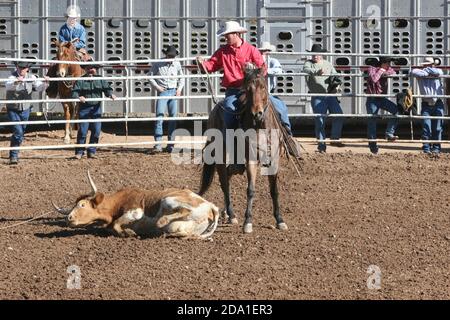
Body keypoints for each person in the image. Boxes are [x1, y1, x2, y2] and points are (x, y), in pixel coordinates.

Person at [197, 21, 299, 173]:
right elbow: (210, 67)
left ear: (236, 34)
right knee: (229, 113)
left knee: (280, 107)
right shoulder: (222, 52)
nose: (225, 38)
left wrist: (254, 74)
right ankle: (236, 157)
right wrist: (201, 63)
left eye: (227, 35)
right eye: (224, 36)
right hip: (233, 91)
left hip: (253, 90)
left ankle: (288, 139)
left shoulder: (251, 50)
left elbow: (262, 68)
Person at [303, 44, 344, 153]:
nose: (315, 56)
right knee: (320, 121)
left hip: (329, 95)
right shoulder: (308, 63)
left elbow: (335, 75)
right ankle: (321, 147)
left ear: (321, 54)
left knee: (339, 115)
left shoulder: (328, 64)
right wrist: (317, 72)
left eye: (317, 54)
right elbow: (306, 70)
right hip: (317, 95)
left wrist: (337, 84)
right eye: (313, 54)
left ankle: (335, 138)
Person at [5, 61, 49, 165]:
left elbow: (39, 87)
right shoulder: (12, 77)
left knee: (21, 131)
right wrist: (16, 82)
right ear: (17, 67)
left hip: (26, 108)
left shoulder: (32, 77)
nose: (21, 70)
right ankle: (14, 156)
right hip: (13, 108)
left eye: (23, 68)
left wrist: (45, 82)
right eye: (19, 68)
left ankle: (14, 152)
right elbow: (8, 86)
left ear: (27, 69)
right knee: (18, 131)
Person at [71, 63, 116, 159]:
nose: (91, 70)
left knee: (96, 130)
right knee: (83, 131)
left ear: (95, 69)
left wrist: (110, 94)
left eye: (93, 68)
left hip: (96, 108)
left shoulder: (100, 79)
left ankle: (91, 151)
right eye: (89, 68)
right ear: (85, 69)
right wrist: (79, 97)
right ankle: (79, 152)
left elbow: (107, 89)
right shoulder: (81, 80)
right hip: (84, 108)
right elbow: (74, 92)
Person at [148, 45, 185, 153]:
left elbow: (182, 77)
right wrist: (158, 87)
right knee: (159, 117)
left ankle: (171, 145)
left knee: (173, 118)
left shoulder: (177, 63)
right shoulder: (158, 63)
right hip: (163, 92)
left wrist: (179, 89)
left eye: (172, 56)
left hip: (173, 92)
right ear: (166, 55)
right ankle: (158, 144)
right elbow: (149, 76)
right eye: (169, 56)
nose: (171, 58)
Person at [410, 57, 444, 155]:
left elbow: (439, 73)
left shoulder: (437, 71)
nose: (428, 66)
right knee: (426, 127)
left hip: (437, 103)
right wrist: (428, 70)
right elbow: (413, 71)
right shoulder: (421, 71)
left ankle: (436, 148)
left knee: (437, 128)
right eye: (426, 65)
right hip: (426, 104)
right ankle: (426, 148)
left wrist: (428, 70)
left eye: (429, 64)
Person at [365, 56, 399, 154]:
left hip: (381, 98)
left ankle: (389, 133)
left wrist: (385, 72)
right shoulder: (372, 68)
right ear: (382, 63)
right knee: (372, 122)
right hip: (372, 98)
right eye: (387, 63)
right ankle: (373, 147)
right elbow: (374, 79)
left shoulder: (387, 69)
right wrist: (381, 71)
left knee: (396, 111)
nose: (389, 65)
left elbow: (394, 73)